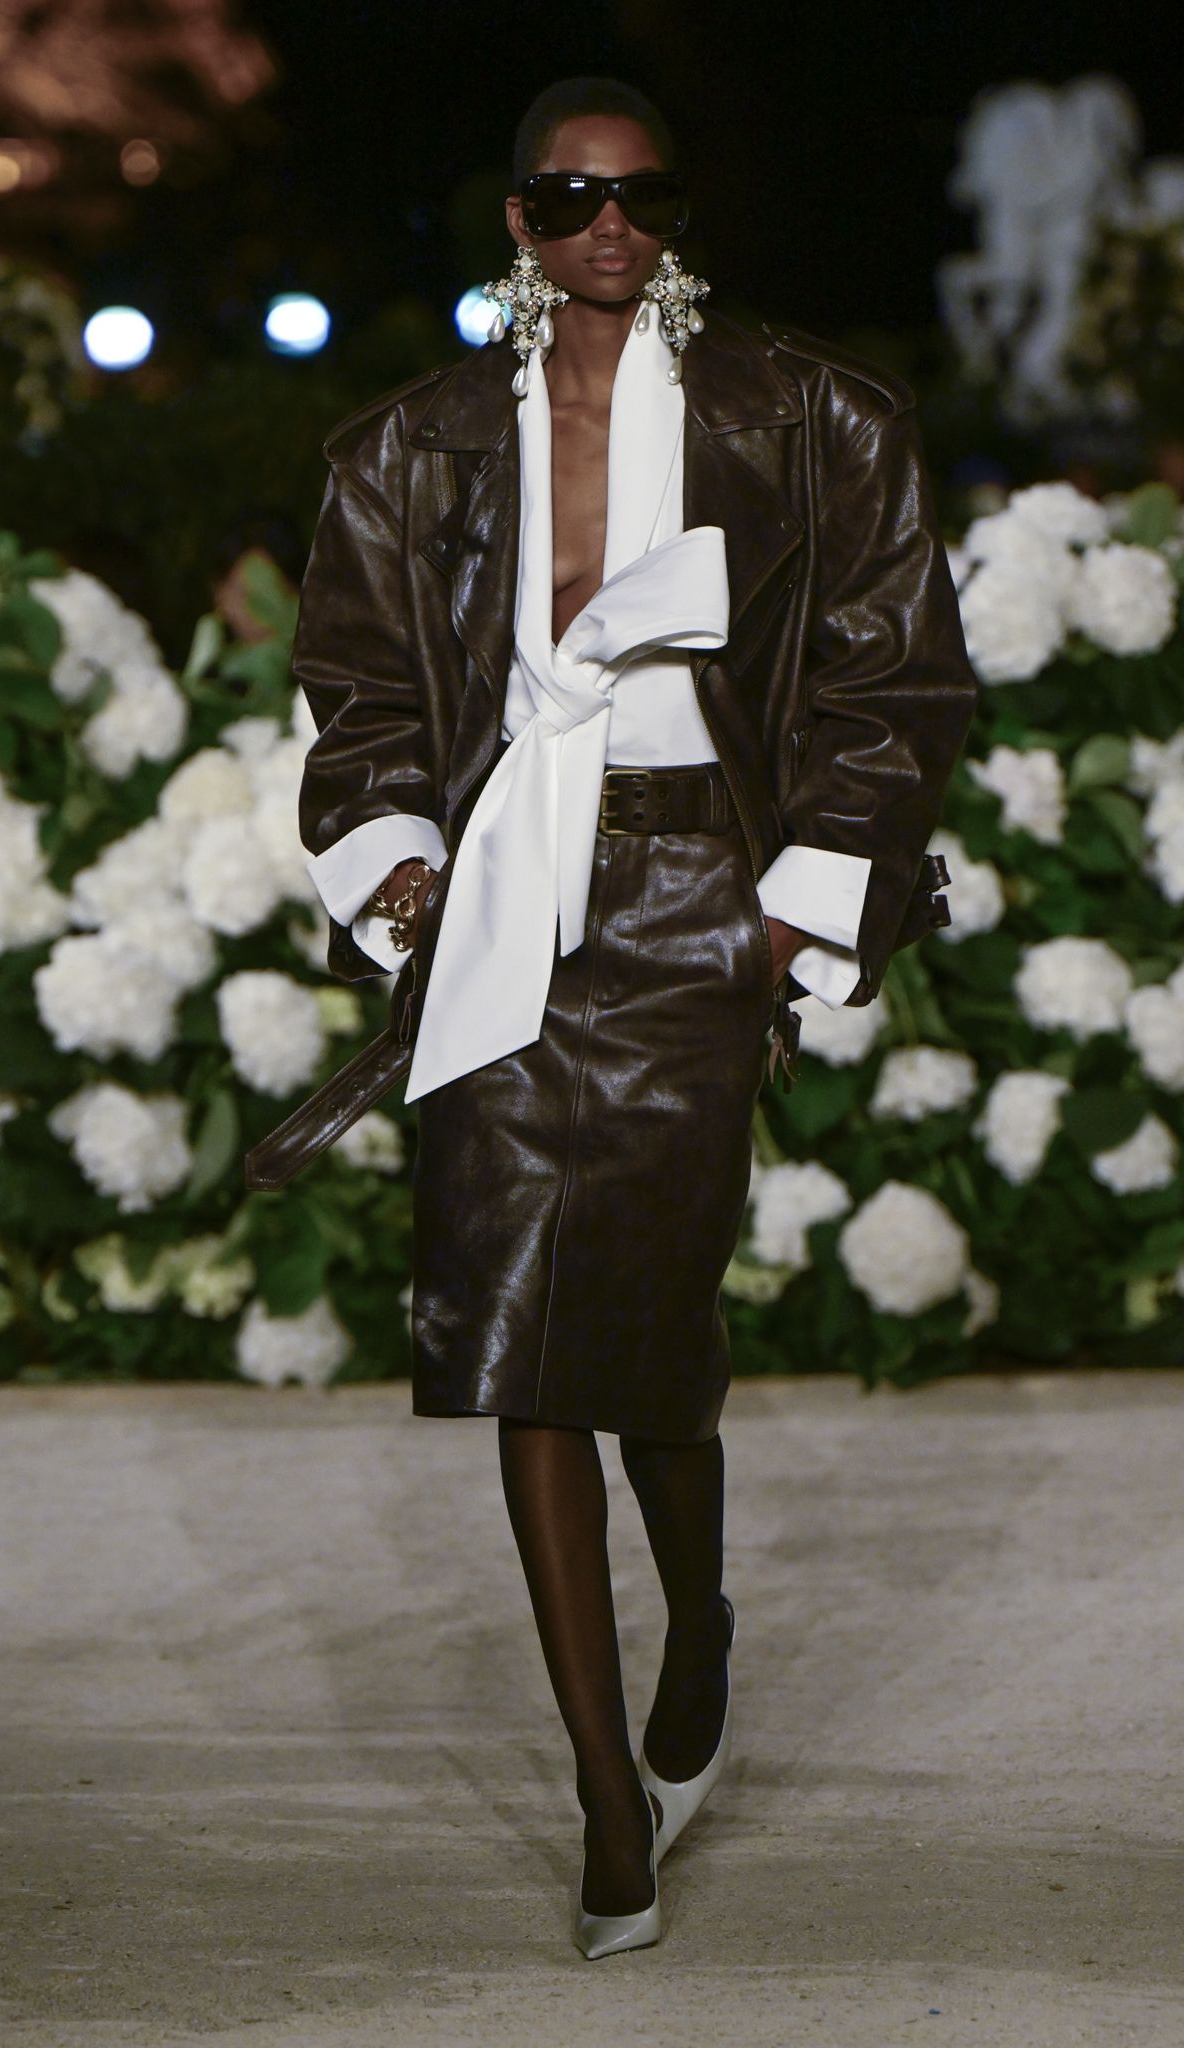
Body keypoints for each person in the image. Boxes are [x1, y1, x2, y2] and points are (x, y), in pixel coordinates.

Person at [294, 76, 978, 1958]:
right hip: (506, 895)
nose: (609, 224)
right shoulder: (407, 447)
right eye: (570, 196)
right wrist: (400, 868)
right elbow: (357, 689)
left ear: (678, 214)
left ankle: (701, 1617)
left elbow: (895, 676)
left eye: (642, 194)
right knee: (517, 1331)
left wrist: (793, 908)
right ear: (515, 219)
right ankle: (605, 1795)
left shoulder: (816, 418)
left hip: (700, 899)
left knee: (653, 1335)